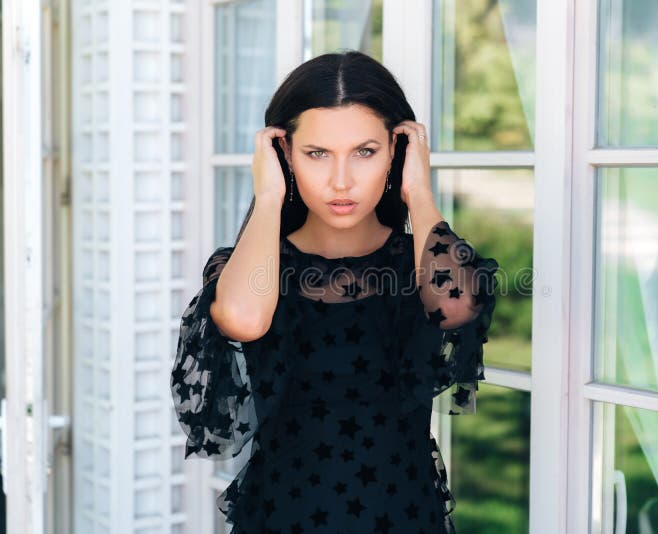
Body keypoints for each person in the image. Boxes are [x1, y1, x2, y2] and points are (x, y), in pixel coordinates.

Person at [170, 49, 499, 534]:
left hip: (402, 515)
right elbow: (242, 319)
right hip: (284, 517)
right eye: (317, 153)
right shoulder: (250, 263)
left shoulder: (421, 261)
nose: (340, 181)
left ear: (396, 152)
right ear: (285, 155)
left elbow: (455, 306)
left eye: (365, 152)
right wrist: (268, 198)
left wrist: (420, 194)